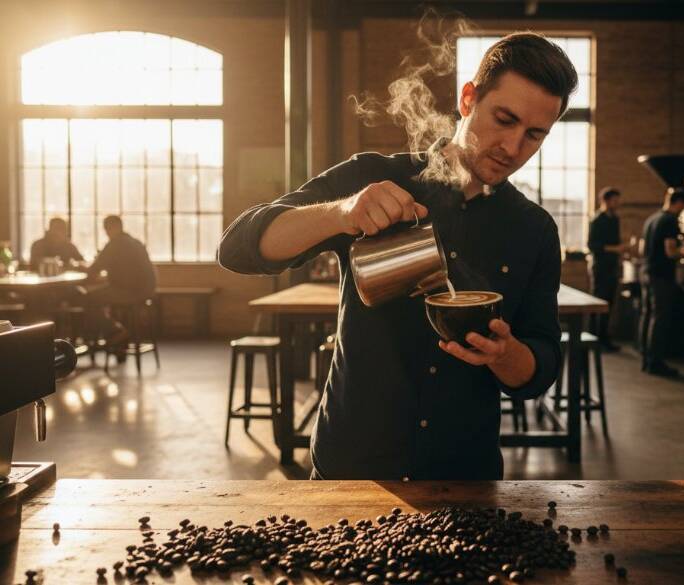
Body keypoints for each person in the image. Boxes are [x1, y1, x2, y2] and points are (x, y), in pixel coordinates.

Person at [219, 33, 577, 480]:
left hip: (464, 477)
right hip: (351, 467)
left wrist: (505, 354)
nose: (512, 147)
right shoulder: (372, 176)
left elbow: (540, 369)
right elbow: (237, 248)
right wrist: (342, 213)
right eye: (504, 119)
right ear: (468, 99)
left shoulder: (533, 229)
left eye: (534, 135)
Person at [638, 187, 684, 378]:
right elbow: (670, 251)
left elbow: (642, 248)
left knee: (647, 314)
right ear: (679, 203)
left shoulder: (652, 218)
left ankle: (645, 357)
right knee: (659, 317)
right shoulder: (670, 220)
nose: (683, 210)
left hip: (646, 271)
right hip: (660, 275)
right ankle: (655, 362)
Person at [84, 215, 157, 345]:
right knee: (101, 295)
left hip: (128, 291)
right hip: (146, 290)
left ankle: (114, 331)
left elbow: (94, 270)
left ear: (112, 228)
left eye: (107, 229)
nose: (106, 232)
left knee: (89, 298)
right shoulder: (135, 242)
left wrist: (80, 268)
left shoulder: (114, 244)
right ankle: (117, 340)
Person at [587, 187, 624, 352]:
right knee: (598, 303)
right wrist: (615, 249)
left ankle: (604, 339)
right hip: (600, 268)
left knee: (609, 304)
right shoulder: (597, 220)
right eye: (614, 200)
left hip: (612, 267)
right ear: (605, 201)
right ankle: (594, 339)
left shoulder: (615, 219)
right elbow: (592, 246)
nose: (617, 203)